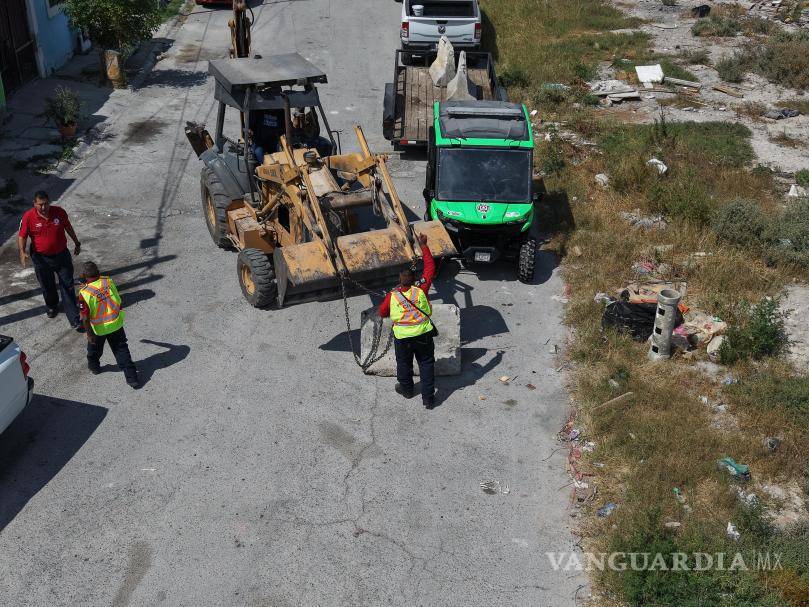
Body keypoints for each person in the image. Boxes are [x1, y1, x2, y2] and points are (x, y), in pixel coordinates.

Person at [378, 234, 437, 409]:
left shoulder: (392, 296)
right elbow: (430, 269)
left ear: (399, 281)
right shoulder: (421, 289)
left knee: (403, 363)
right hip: (423, 335)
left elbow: (382, 312)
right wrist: (424, 245)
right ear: (414, 279)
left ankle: (407, 390)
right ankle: (428, 399)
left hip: (402, 337)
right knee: (426, 364)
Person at [18, 190, 82, 330]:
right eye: (40, 204)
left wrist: (76, 242)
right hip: (41, 259)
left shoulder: (59, 212)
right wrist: (22, 252)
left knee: (68, 285)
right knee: (47, 286)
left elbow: (68, 227)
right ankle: (52, 306)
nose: (43, 207)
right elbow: (22, 235)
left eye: (46, 204)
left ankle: (74, 318)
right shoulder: (28, 217)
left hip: (61, 256)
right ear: (34, 204)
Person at [78, 261, 140, 389]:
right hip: (115, 323)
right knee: (122, 350)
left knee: (94, 350)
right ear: (98, 272)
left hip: (98, 328)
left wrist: (89, 333)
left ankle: (94, 367)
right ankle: (132, 378)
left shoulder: (84, 293)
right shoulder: (108, 281)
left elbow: (84, 317)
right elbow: (117, 299)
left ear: (84, 275)